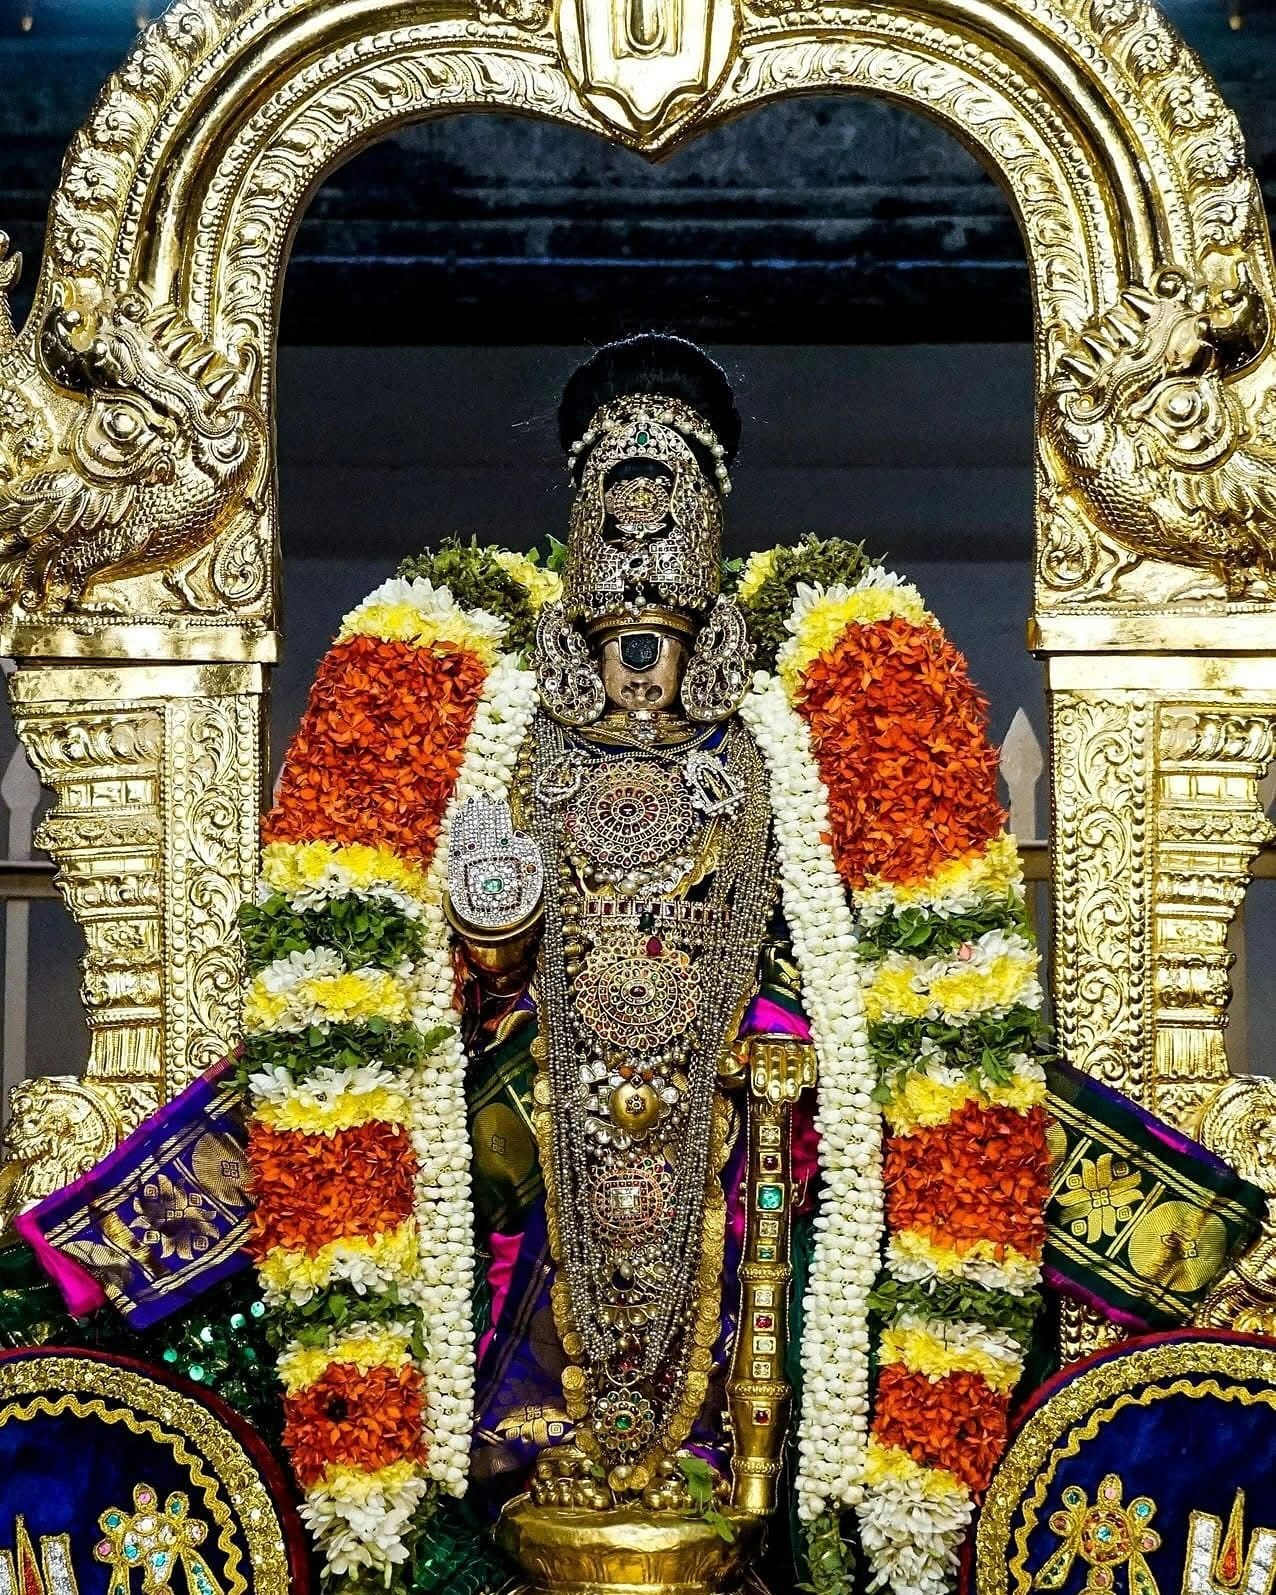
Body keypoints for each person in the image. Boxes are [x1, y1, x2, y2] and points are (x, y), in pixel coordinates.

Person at [244, 334, 1053, 1595]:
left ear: (703, 630)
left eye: (660, 642)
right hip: (543, 1097)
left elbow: (818, 940)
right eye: (619, 640)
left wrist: (771, 1032)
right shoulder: (509, 733)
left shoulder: (773, 741)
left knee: (730, 1293)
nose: (639, 670)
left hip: (726, 1099)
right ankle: (530, 1477)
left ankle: (717, 1487)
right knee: (532, 1269)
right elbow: (452, 925)